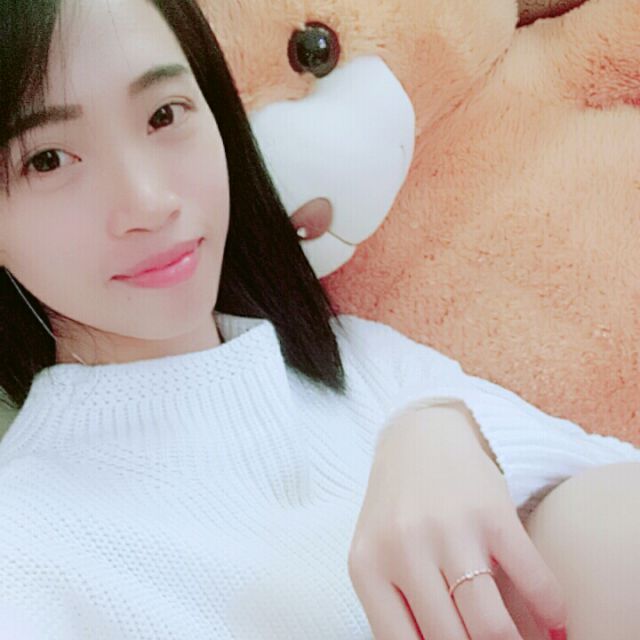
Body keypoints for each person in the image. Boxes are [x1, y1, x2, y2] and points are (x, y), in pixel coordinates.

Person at [0, 0, 638, 638]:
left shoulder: (361, 362)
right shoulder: (25, 550)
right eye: (47, 159)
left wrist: (452, 435)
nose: (149, 203)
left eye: (165, 114)